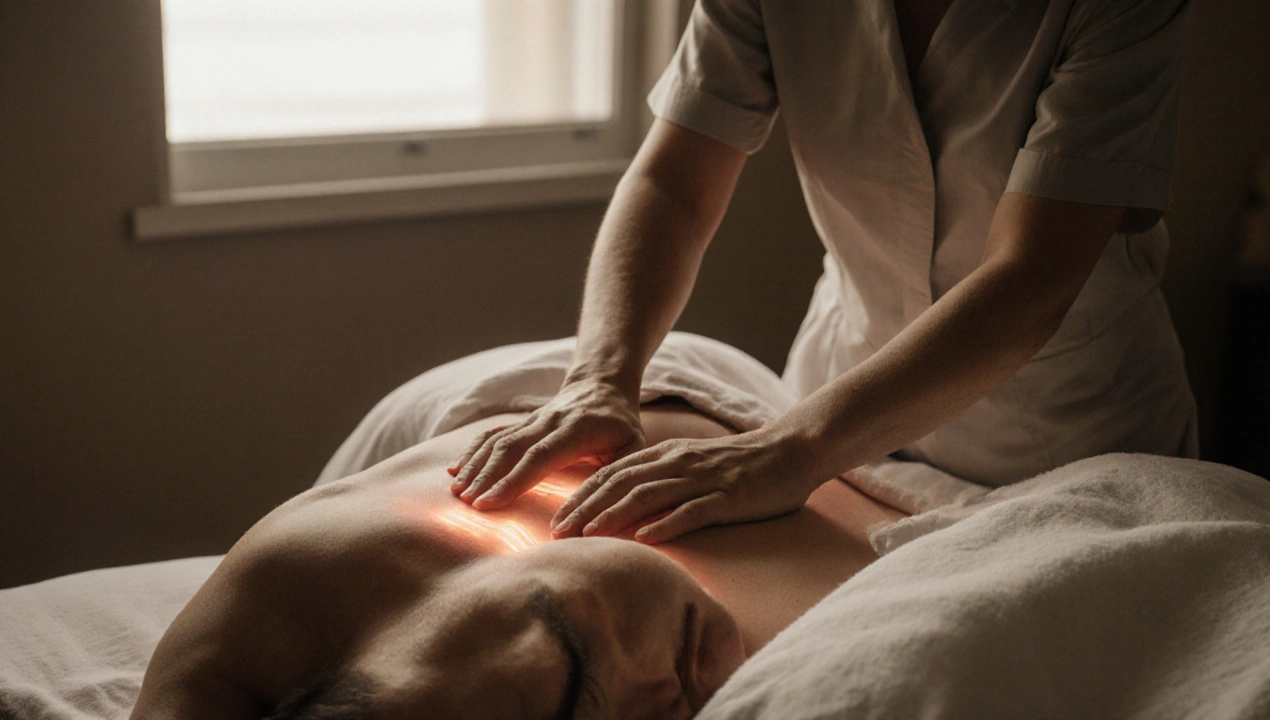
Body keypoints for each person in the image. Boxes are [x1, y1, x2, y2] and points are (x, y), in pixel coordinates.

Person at [449, 0, 1199, 544]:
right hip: (837, 393)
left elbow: (1031, 277)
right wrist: (601, 379)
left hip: (1064, 437)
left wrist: (789, 452)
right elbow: (672, 184)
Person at [129, 401, 903, 720]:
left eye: (569, 664)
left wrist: (604, 377)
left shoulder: (298, 575)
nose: (664, 696)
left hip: (606, 390)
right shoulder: (865, 635)